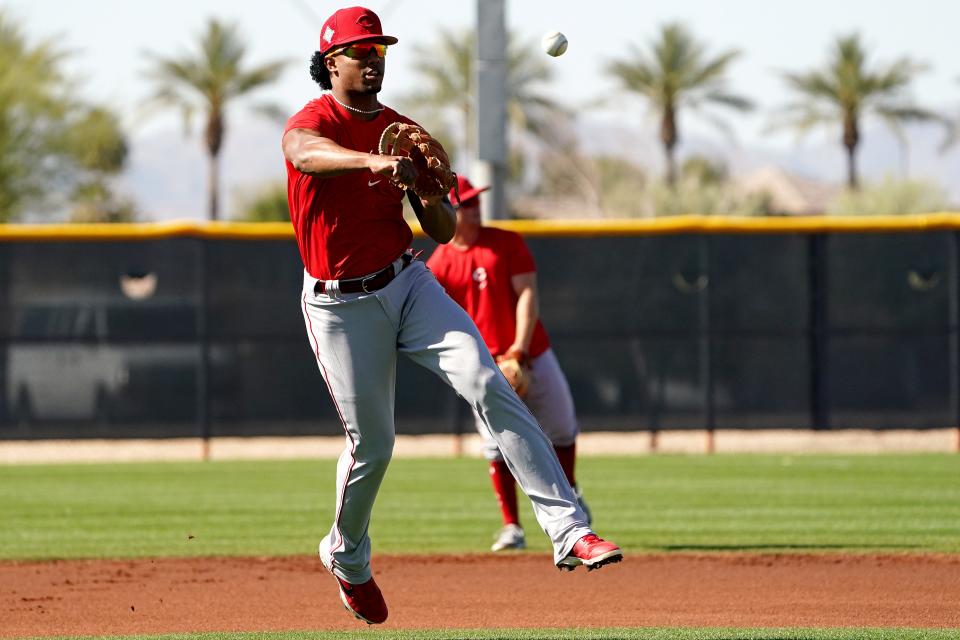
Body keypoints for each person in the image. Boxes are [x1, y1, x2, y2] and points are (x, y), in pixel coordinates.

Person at [281, 6, 621, 626]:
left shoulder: (401, 130)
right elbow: (303, 154)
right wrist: (372, 165)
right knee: (374, 446)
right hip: (338, 303)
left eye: (380, 49)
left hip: (408, 281)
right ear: (332, 63)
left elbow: (438, 228)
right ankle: (347, 557)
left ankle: (569, 529)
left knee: (488, 380)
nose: (374, 60)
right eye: (362, 52)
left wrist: (426, 193)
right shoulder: (314, 120)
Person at [427, 176, 592, 552]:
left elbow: (527, 294)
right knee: (494, 445)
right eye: (466, 203)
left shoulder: (506, 243)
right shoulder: (439, 264)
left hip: (532, 350)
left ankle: (570, 502)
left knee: (563, 428)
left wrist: (518, 349)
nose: (475, 207)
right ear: (447, 210)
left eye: (475, 201)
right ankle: (512, 526)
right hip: (486, 365)